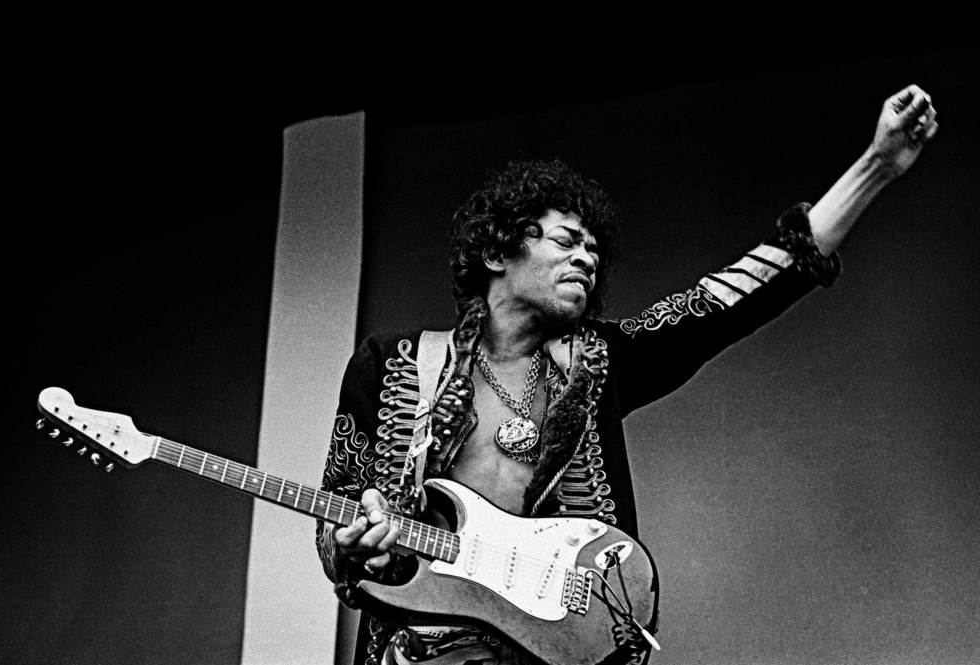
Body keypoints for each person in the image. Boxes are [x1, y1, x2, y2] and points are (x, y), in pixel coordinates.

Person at [314, 85, 938, 664]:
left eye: (593, 247)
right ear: (497, 251)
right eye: (564, 240)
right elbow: (334, 522)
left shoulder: (599, 362)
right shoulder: (390, 363)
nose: (586, 255)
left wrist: (876, 165)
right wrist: (353, 539)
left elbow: (731, 298)